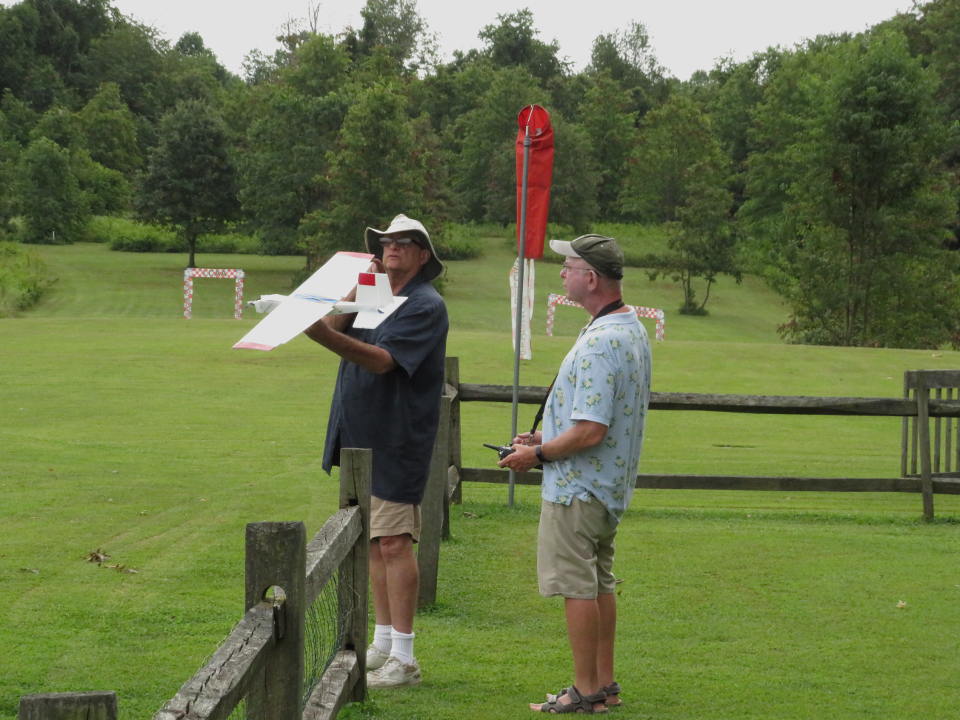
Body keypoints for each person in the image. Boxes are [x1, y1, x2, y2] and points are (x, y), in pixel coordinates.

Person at [499, 234, 651, 714]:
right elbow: (596, 421)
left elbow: (589, 430)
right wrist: (544, 439)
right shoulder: (629, 328)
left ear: (591, 277)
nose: (561, 273)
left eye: (568, 266)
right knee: (600, 584)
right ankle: (604, 685)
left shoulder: (601, 343)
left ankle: (585, 692)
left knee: (576, 587)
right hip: (608, 486)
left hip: (577, 489)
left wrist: (537, 457)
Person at [305, 213, 448, 689]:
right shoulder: (379, 292)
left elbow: (385, 362)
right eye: (385, 243)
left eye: (403, 244)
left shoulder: (425, 305)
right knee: (371, 542)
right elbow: (333, 323)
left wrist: (323, 338)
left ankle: (405, 657)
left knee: (394, 541)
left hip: (394, 438)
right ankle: (383, 642)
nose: (391, 250)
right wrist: (359, 288)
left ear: (422, 255)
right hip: (359, 436)